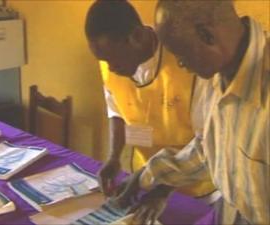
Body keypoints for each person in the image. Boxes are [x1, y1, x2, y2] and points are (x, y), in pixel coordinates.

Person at [115, 1, 269, 224]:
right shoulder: (217, 73)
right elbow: (210, 146)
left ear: (207, 36)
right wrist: (148, 174)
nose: (180, 64)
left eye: (181, 53)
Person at [84, 0, 215, 201]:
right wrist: (113, 157)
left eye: (113, 58)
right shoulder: (111, 63)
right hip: (145, 177)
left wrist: (165, 188)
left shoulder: (188, 62)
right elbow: (116, 111)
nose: (110, 67)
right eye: (103, 60)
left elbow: (207, 145)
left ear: (136, 36)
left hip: (196, 187)